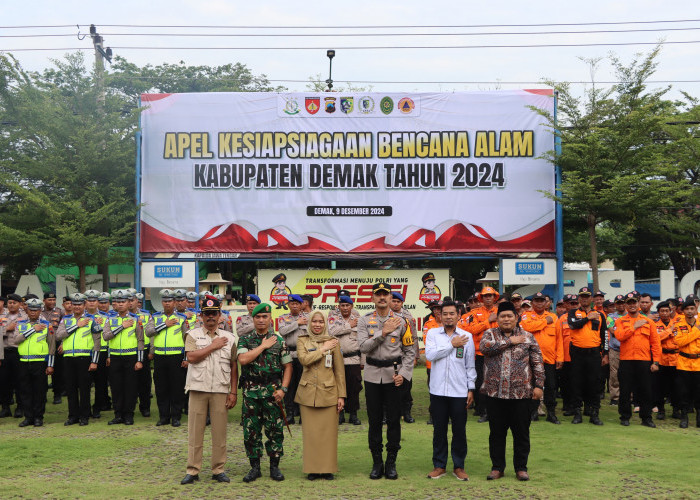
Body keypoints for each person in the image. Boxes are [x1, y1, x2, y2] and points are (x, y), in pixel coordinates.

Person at [480, 301, 545, 482]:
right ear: (497, 319)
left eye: (510, 316)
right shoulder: (489, 334)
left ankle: (521, 468)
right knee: (496, 434)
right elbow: (484, 348)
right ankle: (497, 467)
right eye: (503, 316)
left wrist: (539, 385)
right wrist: (510, 341)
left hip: (521, 394)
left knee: (521, 433)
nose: (506, 319)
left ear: (516, 318)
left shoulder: (528, 337)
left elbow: (537, 362)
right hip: (495, 394)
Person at [357, 282, 416, 480]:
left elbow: (410, 351)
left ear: (391, 298)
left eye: (386, 294)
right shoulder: (364, 321)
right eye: (378, 295)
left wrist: (405, 374)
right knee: (374, 421)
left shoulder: (403, 321)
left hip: (394, 376)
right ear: (372, 298)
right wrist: (382, 333)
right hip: (372, 374)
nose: (382, 298)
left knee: (393, 421)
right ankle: (376, 462)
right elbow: (363, 347)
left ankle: (391, 462)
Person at [181, 295, 239, 485]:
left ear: (220, 315)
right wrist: (213, 346)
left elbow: (233, 366)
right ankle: (193, 470)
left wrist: (233, 392)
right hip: (198, 388)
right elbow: (191, 357)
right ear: (201, 316)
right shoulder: (192, 334)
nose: (210, 317)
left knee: (219, 432)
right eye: (207, 314)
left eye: (214, 313)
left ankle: (218, 469)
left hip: (220, 390)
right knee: (195, 432)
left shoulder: (230, 338)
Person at [238, 303, 293, 483]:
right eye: (258, 317)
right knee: (251, 431)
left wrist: (283, 390)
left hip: (273, 392)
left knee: (275, 430)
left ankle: (274, 467)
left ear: (270, 319)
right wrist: (262, 346)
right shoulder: (245, 340)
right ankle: (255, 468)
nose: (261, 320)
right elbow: (243, 360)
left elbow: (288, 366)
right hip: (251, 392)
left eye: (265, 317)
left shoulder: (279, 341)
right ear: (253, 319)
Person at [425, 300, 476, 481]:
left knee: (459, 430)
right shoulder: (432, 334)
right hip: (438, 391)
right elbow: (430, 356)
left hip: (459, 391)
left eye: (451, 314)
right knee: (439, 430)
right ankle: (439, 465)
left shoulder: (467, 337)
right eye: (445, 314)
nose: (448, 317)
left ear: (458, 315)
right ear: (440, 315)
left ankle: (459, 466)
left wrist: (471, 389)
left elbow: (470, 366)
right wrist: (451, 345)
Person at [295, 310, 346, 480]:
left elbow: (339, 371)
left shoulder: (334, 342)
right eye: (314, 321)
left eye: (321, 322)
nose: (317, 325)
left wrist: (341, 396)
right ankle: (313, 469)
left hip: (329, 393)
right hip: (307, 393)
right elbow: (304, 360)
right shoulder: (302, 340)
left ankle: (327, 468)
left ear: (325, 323)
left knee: (328, 434)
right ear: (309, 323)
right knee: (311, 435)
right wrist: (323, 349)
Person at [613, 292, 661, 427]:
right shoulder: (620, 321)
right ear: (626, 305)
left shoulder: (649, 322)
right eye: (629, 303)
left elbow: (656, 343)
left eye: (634, 302)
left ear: (639, 304)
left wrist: (656, 362)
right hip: (626, 360)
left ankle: (646, 418)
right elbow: (620, 336)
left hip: (644, 360)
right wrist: (633, 327)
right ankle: (625, 416)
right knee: (625, 390)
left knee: (646, 390)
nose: (632, 305)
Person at [55, 293, 103, 426]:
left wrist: (94, 361)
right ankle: (73, 416)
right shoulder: (65, 319)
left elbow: (97, 342)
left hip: (85, 358)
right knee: (70, 389)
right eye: (74, 304)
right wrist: (77, 325)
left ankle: (84, 416)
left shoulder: (93, 319)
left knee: (84, 389)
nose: (76, 307)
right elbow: (58, 336)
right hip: (68, 358)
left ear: (85, 305)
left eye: (79, 304)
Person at [146, 289, 190, 427]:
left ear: (175, 302)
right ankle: (163, 416)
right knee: (161, 388)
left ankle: (176, 417)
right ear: (162, 302)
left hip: (176, 357)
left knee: (177, 388)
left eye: (170, 301)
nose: (167, 303)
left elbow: (187, 339)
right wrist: (164, 325)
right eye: (165, 301)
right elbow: (148, 332)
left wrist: (186, 358)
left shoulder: (182, 318)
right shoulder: (155, 317)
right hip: (160, 357)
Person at [102, 290, 146, 426]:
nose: (120, 305)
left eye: (123, 302)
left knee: (130, 387)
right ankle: (118, 415)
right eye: (118, 302)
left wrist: (139, 360)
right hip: (115, 357)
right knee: (116, 387)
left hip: (131, 357)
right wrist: (121, 327)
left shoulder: (136, 319)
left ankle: (128, 415)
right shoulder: (111, 319)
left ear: (129, 303)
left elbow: (140, 340)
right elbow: (106, 336)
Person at [520, 292, 563, 424]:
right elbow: (527, 327)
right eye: (536, 301)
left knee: (551, 386)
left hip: (549, 359)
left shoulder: (554, 317)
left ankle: (551, 413)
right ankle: (533, 412)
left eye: (541, 300)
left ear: (546, 303)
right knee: (531, 386)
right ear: (532, 303)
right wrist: (544, 322)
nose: (539, 303)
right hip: (531, 359)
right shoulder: (526, 316)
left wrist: (560, 357)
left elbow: (559, 339)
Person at [567, 287, 608, 425]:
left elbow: (604, 335)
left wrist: (605, 354)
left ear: (591, 299)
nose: (584, 299)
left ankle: (594, 413)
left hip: (594, 353)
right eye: (582, 297)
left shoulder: (600, 314)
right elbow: (573, 325)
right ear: (579, 299)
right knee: (576, 382)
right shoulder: (573, 312)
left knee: (594, 383)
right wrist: (587, 318)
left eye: (587, 297)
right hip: (577, 353)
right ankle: (577, 412)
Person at [12, 298, 56, 427]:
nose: (33, 312)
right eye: (30, 310)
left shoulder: (47, 324)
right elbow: (16, 340)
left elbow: (52, 345)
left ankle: (38, 417)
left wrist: (50, 364)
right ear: (27, 310)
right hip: (24, 361)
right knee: (25, 391)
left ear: (40, 310)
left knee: (39, 391)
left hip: (40, 362)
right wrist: (32, 330)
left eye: (36, 310)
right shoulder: (20, 324)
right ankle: (28, 417)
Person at [461, 287, 500, 423]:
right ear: (481, 299)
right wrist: (488, 321)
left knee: (496, 382)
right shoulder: (475, 313)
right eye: (485, 296)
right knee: (481, 383)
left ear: (495, 297)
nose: (488, 298)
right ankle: (483, 411)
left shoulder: (500, 312)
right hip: (480, 353)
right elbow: (471, 330)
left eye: (490, 295)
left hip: (497, 352)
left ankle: (495, 412)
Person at [328, 294, 362, 425]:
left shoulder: (359, 319)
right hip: (337, 359)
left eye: (348, 305)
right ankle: (340, 413)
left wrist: (363, 361)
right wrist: (348, 325)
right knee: (337, 387)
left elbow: (363, 340)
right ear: (339, 306)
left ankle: (353, 414)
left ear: (352, 306)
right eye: (342, 305)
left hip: (353, 358)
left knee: (354, 386)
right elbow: (330, 332)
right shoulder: (333, 318)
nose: (345, 308)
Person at [390, 291, 419, 424]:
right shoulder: (384, 315)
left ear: (402, 303)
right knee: (389, 385)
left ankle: (406, 412)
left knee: (406, 385)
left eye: (398, 302)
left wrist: (415, 356)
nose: (395, 304)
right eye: (393, 301)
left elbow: (413, 337)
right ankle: (388, 414)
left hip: (405, 355)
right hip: (390, 355)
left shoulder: (408, 316)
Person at [278, 294, 307, 424]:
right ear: (288, 305)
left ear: (302, 305)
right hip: (288, 354)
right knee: (288, 385)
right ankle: (289, 414)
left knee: (303, 385)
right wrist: (297, 323)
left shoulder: (309, 318)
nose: (294, 306)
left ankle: (303, 414)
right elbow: (282, 331)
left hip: (303, 355)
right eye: (292, 303)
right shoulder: (283, 318)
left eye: (297, 303)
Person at [672, 298, 700, 428]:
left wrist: (692, 333)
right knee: (683, 391)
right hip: (683, 362)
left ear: (696, 310)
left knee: (698, 391)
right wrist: (696, 331)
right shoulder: (678, 325)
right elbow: (680, 342)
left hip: (698, 362)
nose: (689, 311)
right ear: (683, 311)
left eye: (692, 309)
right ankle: (684, 416)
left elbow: (686, 339)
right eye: (687, 309)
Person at [0, 293, 28, 418]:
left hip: (19, 352)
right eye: (9, 303)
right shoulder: (1, 316)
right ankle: (5, 408)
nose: (11, 305)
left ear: (20, 304)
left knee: (20, 381)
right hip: (4, 351)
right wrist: (7, 329)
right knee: (4, 381)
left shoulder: (25, 317)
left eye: (14, 303)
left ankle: (20, 408)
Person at [654, 301, 679, 420]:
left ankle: (676, 409)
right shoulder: (654, 325)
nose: (664, 313)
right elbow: (656, 339)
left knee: (676, 386)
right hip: (661, 358)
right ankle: (661, 410)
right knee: (659, 387)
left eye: (667, 311)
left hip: (676, 359)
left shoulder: (677, 324)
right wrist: (669, 332)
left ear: (670, 311)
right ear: (658, 312)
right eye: (662, 311)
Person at [423, 300, 442, 425]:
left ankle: (447, 415)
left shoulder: (451, 323)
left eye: (439, 308)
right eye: (434, 309)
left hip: (448, 363)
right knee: (433, 389)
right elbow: (427, 342)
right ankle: (433, 415)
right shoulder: (428, 323)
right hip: (432, 363)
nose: (436, 311)